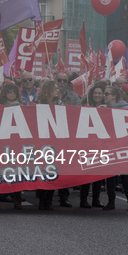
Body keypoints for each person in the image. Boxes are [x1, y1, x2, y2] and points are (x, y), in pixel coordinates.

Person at [101, 86, 128, 212]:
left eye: (107, 94)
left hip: (121, 144)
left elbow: (124, 117)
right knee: (110, 175)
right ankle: (111, 200)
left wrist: (108, 110)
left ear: (114, 96)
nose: (104, 96)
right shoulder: (102, 108)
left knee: (125, 174)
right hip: (109, 144)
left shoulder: (124, 106)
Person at [78, 81, 108, 208]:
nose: (97, 95)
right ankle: (83, 199)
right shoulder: (86, 106)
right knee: (86, 173)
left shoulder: (108, 107)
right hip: (87, 144)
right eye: (95, 93)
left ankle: (96, 199)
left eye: (99, 93)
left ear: (103, 95)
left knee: (98, 174)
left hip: (101, 144)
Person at [54, 71, 81, 208]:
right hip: (50, 137)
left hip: (66, 137)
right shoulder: (48, 94)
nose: (62, 83)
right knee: (50, 166)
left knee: (64, 167)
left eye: (65, 81)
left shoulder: (73, 97)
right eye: (59, 80)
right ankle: (46, 196)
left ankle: (64, 197)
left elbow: (77, 113)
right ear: (55, 81)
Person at [0, 83, 24, 209]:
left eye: (14, 91)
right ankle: (3, 193)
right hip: (3, 141)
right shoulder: (0, 107)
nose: (12, 94)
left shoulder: (22, 106)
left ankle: (17, 195)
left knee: (17, 169)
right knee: (3, 169)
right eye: (9, 91)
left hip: (17, 142)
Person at [35, 80, 61, 210]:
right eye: (55, 88)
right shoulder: (37, 104)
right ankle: (42, 198)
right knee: (41, 171)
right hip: (41, 141)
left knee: (53, 170)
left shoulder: (61, 105)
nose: (58, 90)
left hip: (55, 142)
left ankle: (49, 199)